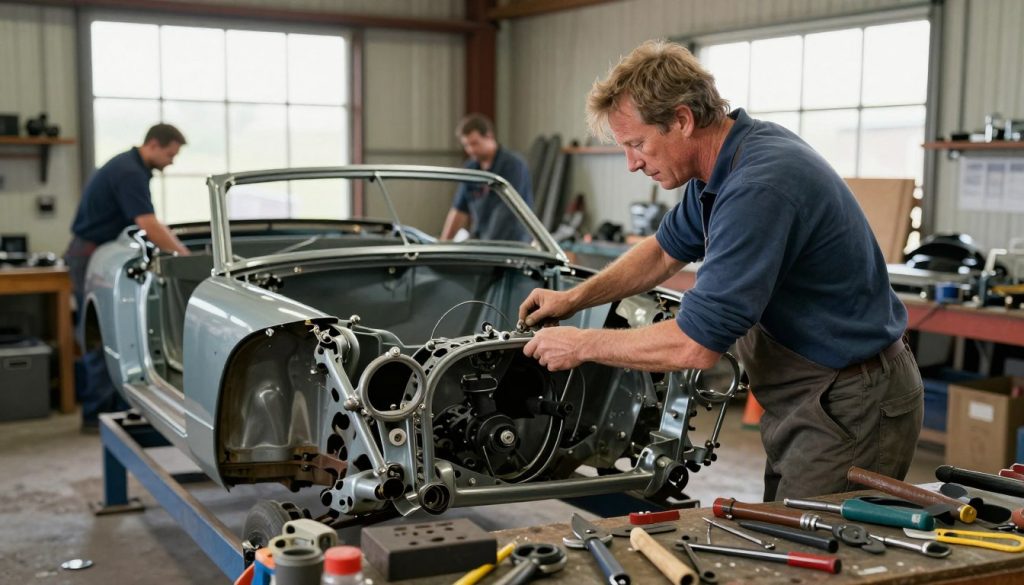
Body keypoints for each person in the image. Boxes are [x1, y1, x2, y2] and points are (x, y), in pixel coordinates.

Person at [518, 40, 923, 501]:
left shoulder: (758, 185)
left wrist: (581, 345)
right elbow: (661, 253)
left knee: (820, 558)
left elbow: (694, 345)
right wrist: (573, 300)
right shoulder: (723, 168)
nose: (632, 163)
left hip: (851, 401)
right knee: (788, 533)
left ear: (683, 120)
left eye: (637, 144)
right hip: (811, 394)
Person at [65, 123, 191, 432]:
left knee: (110, 331)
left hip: (97, 250)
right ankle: (96, 415)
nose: (172, 162)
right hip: (91, 254)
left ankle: (115, 409)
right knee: (99, 333)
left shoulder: (131, 166)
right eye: (171, 154)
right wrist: (187, 260)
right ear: (154, 145)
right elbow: (148, 224)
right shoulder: (130, 172)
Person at [441, 113, 533, 242]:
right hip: (484, 240)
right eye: (466, 145)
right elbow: (459, 210)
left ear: (489, 136)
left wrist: (486, 243)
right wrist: (444, 242)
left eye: (475, 143)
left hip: (513, 244)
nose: (471, 150)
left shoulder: (513, 165)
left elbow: (505, 211)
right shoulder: (471, 168)